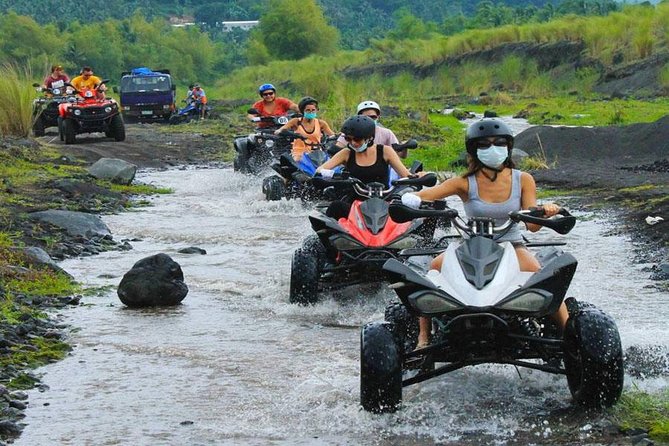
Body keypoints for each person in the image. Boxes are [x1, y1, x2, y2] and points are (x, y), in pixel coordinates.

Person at [400, 118, 568, 349]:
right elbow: (432, 193)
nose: (493, 148)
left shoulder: (523, 179)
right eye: (485, 144)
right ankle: (423, 338)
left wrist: (546, 212)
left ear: (508, 147)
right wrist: (412, 198)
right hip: (471, 245)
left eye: (499, 143)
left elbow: (533, 226)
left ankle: (570, 336)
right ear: (473, 150)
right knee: (434, 269)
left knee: (542, 277)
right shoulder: (464, 182)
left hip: (511, 245)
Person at [316, 115, 413, 219]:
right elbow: (320, 170)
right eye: (348, 139)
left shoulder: (385, 151)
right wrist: (335, 176)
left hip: (383, 202)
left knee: (406, 211)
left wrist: (419, 178)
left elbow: (406, 175)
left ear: (369, 138)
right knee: (335, 207)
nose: (353, 143)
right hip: (354, 205)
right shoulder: (346, 153)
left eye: (357, 139)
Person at [274, 96, 335, 161]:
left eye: (313, 110)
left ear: (317, 110)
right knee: (298, 161)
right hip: (299, 153)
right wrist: (293, 134)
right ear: (303, 111)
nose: (311, 112)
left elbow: (332, 135)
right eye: (308, 110)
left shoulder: (321, 123)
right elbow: (279, 131)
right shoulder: (296, 121)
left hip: (317, 153)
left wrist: (337, 136)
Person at [335, 100, 402, 156]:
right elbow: (338, 148)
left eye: (373, 117)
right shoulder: (350, 130)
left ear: (378, 117)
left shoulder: (387, 133)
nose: (370, 120)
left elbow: (400, 154)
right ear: (359, 117)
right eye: (366, 117)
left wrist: (404, 147)